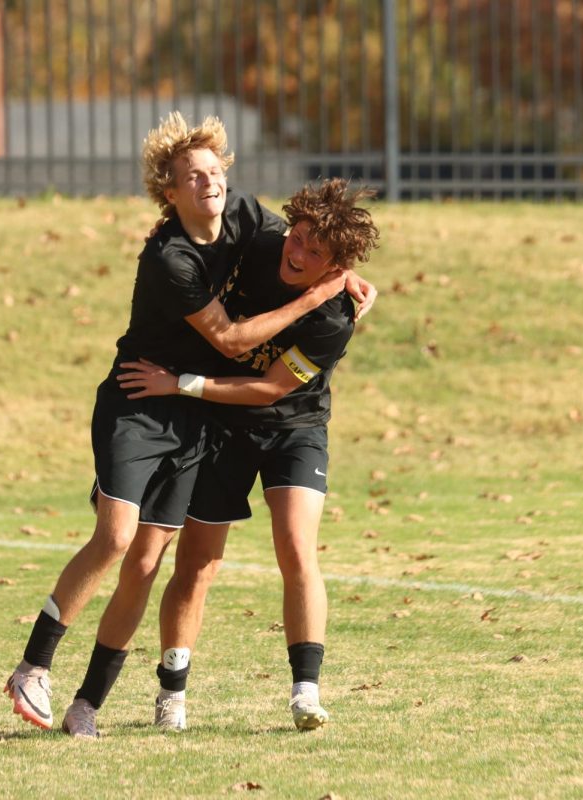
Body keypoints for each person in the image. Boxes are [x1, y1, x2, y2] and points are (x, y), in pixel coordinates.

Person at [3, 112, 373, 735]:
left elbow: (311, 247)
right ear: (169, 193)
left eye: (212, 171)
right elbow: (229, 342)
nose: (207, 182)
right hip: (141, 397)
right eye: (190, 176)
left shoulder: (251, 221)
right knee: (118, 538)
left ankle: (85, 705)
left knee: (147, 561)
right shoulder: (172, 257)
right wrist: (312, 295)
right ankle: (33, 667)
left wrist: (344, 270)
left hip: (198, 419)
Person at [113, 178, 380, 733]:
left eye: (316, 253)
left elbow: (268, 390)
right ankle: (172, 695)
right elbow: (207, 211)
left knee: (296, 547)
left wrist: (180, 384)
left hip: (294, 429)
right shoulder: (261, 243)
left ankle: (305, 692)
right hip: (223, 428)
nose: (298, 253)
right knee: (198, 564)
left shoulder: (333, 317)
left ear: (336, 266)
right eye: (299, 237)